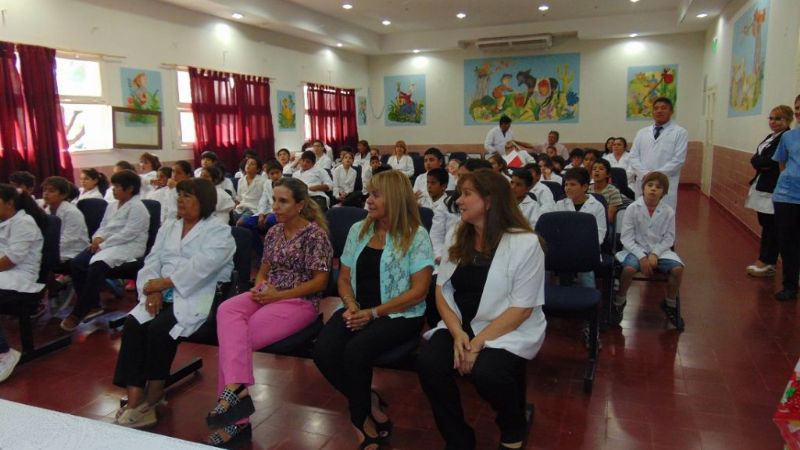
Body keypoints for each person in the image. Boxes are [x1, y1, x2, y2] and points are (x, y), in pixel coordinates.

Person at [417, 169, 545, 450]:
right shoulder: (457, 233)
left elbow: (522, 309)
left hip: (508, 325)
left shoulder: (525, 243)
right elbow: (442, 289)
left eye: (466, 194)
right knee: (429, 364)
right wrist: (457, 332)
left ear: (489, 201)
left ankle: (513, 427)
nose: (458, 200)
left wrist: (474, 345)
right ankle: (458, 437)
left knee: (488, 374)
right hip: (461, 322)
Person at [313, 170, 434, 450]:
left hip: (400, 314)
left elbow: (419, 292)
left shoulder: (416, 236)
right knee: (324, 351)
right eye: (368, 193)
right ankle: (368, 399)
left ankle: (360, 420)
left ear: (394, 198)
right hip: (358, 309)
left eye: (376, 195)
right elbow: (342, 277)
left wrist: (373, 313)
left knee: (356, 352)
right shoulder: (359, 230)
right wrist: (352, 305)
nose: (368, 199)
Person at [207, 178, 332, 446]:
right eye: (274, 200)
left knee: (237, 341)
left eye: (283, 201)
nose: (275, 206)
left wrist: (278, 295)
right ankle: (237, 389)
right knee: (227, 309)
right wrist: (262, 287)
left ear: (300, 205)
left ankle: (236, 420)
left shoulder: (315, 236)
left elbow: (320, 282)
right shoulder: (274, 231)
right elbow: (264, 268)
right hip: (269, 293)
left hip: (298, 301)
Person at [113, 178, 235, 429]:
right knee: (134, 326)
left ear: (204, 202)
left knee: (160, 330)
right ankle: (136, 397)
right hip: (160, 292)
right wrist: (151, 288)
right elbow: (152, 261)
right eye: (180, 195)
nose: (180, 200)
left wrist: (164, 283)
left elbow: (201, 268)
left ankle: (156, 394)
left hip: (196, 293)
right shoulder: (169, 225)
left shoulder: (219, 230)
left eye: (188, 196)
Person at [61, 171, 150, 331]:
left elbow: (129, 233)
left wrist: (103, 244)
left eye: (117, 186)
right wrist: (97, 238)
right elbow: (104, 226)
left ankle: (79, 311)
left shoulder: (138, 208)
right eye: (113, 186)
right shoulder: (112, 205)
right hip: (107, 244)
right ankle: (93, 305)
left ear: (130, 189)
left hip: (128, 246)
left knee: (98, 265)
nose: (113, 190)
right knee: (77, 263)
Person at [614, 172, 684, 327]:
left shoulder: (668, 211)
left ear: (664, 192)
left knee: (678, 269)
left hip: (659, 250)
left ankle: (670, 303)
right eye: (649, 185)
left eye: (658, 187)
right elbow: (626, 238)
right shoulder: (632, 208)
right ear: (643, 188)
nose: (653, 189)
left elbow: (669, 238)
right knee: (630, 269)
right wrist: (642, 256)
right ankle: (620, 300)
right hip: (634, 249)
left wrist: (655, 253)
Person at [0, 184, 49, 383]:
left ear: (9, 202)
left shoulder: (24, 223)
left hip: (19, 277)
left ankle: (4, 352)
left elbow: (11, 260)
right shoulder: (4, 221)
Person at [745, 105, 792, 277]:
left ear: (788, 120)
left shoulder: (786, 137)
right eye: (771, 118)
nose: (773, 122)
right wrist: (758, 161)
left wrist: (758, 161)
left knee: (772, 226)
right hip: (762, 184)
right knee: (766, 223)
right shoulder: (771, 137)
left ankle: (767, 261)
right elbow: (757, 158)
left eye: (778, 119)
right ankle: (766, 259)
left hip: (774, 187)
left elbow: (770, 162)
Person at [629, 96, 688, 210]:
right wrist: (645, 174)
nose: (659, 111)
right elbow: (633, 156)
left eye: (663, 108)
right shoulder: (642, 133)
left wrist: (655, 176)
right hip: (643, 180)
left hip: (665, 183)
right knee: (641, 216)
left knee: (663, 218)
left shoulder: (680, 132)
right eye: (656, 108)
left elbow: (678, 160)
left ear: (671, 111)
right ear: (652, 112)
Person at [552, 168, 606, 288]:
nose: (568, 188)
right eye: (566, 184)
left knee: (586, 274)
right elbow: (555, 232)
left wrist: (580, 245)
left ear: (584, 186)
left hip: (586, 250)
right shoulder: (560, 205)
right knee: (561, 271)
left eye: (572, 184)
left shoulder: (597, 206)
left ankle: (589, 300)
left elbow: (600, 233)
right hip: (563, 250)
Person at [772, 95, 800, 301]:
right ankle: (790, 285)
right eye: (797, 108)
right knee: (787, 244)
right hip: (786, 196)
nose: (798, 112)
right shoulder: (788, 137)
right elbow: (782, 163)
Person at [41, 177, 89, 270]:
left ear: (63, 194)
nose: (46, 193)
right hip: (54, 248)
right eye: (44, 190)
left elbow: (70, 239)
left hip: (73, 249)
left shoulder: (71, 212)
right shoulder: (45, 211)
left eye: (51, 191)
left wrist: (48, 250)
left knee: (43, 260)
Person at [233, 156, 266, 225]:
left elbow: (265, 199)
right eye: (247, 163)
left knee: (240, 223)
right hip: (241, 208)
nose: (248, 165)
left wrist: (262, 213)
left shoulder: (263, 181)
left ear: (258, 169)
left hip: (253, 209)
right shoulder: (241, 180)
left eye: (252, 164)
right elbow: (239, 198)